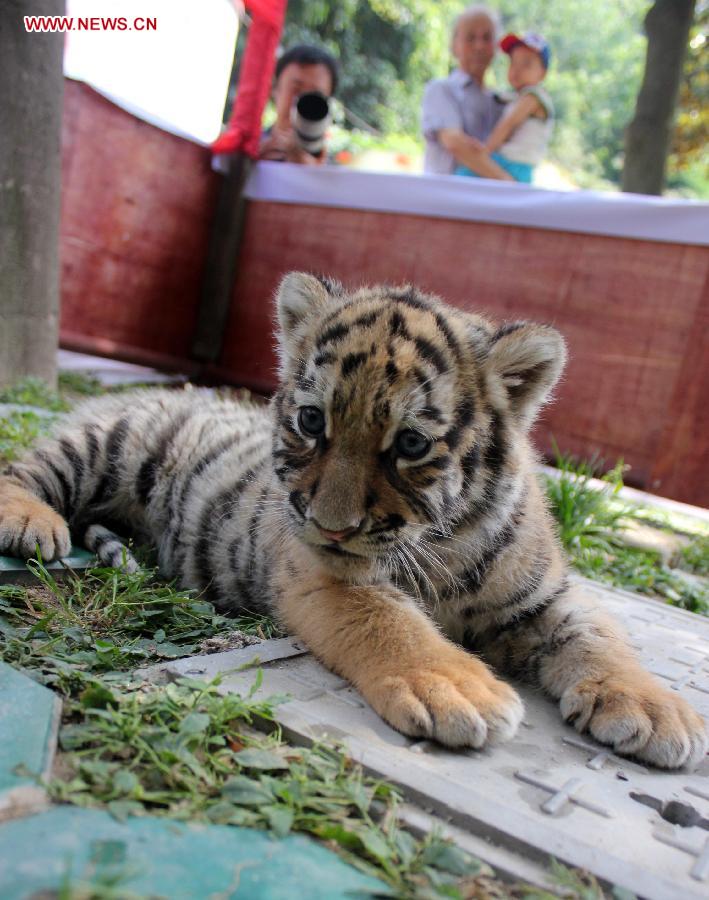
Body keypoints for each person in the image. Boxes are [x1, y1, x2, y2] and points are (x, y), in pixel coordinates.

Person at [454, 32, 554, 183]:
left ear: (543, 73)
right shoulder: (517, 97)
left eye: (526, 64)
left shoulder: (532, 97)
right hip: (513, 165)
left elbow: (507, 125)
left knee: (463, 176)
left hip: (513, 165)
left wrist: (484, 152)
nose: (517, 70)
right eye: (513, 62)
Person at [421, 5, 505, 175]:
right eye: (470, 37)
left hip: (489, 200)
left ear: (496, 46)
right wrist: (512, 187)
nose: (479, 46)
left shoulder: (501, 102)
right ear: (454, 45)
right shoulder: (440, 90)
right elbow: (455, 144)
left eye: (487, 38)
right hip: (443, 199)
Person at [259, 44, 339, 165]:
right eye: (296, 90)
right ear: (274, 89)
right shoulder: (247, 153)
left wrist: (315, 177)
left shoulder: (335, 174)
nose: (303, 102)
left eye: (315, 95)